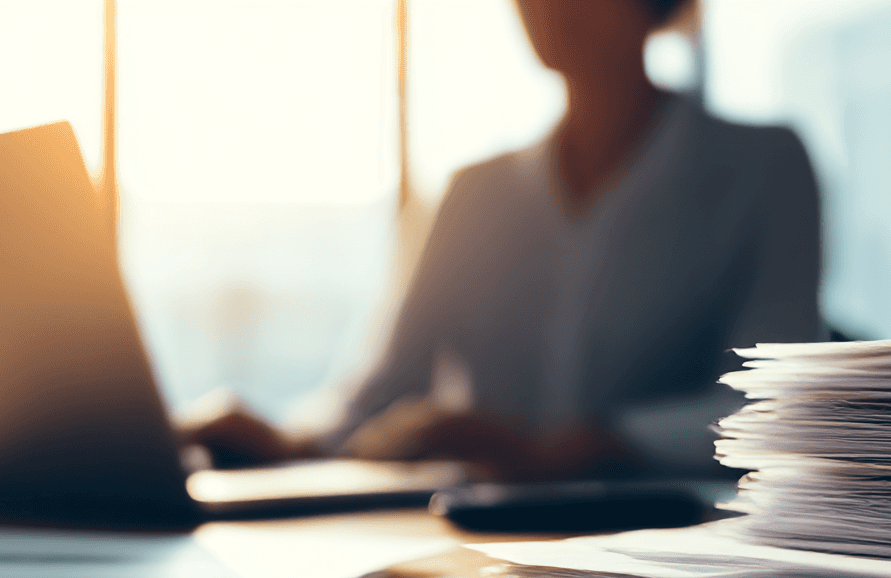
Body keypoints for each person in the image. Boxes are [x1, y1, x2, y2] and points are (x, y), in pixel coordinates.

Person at [186, 0, 822, 481]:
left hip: (675, 557)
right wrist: (285, 440)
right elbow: (380, 395)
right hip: (473, 554)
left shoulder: (765, 168)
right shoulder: (473, 193)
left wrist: (558, 453)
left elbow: (772, 406)